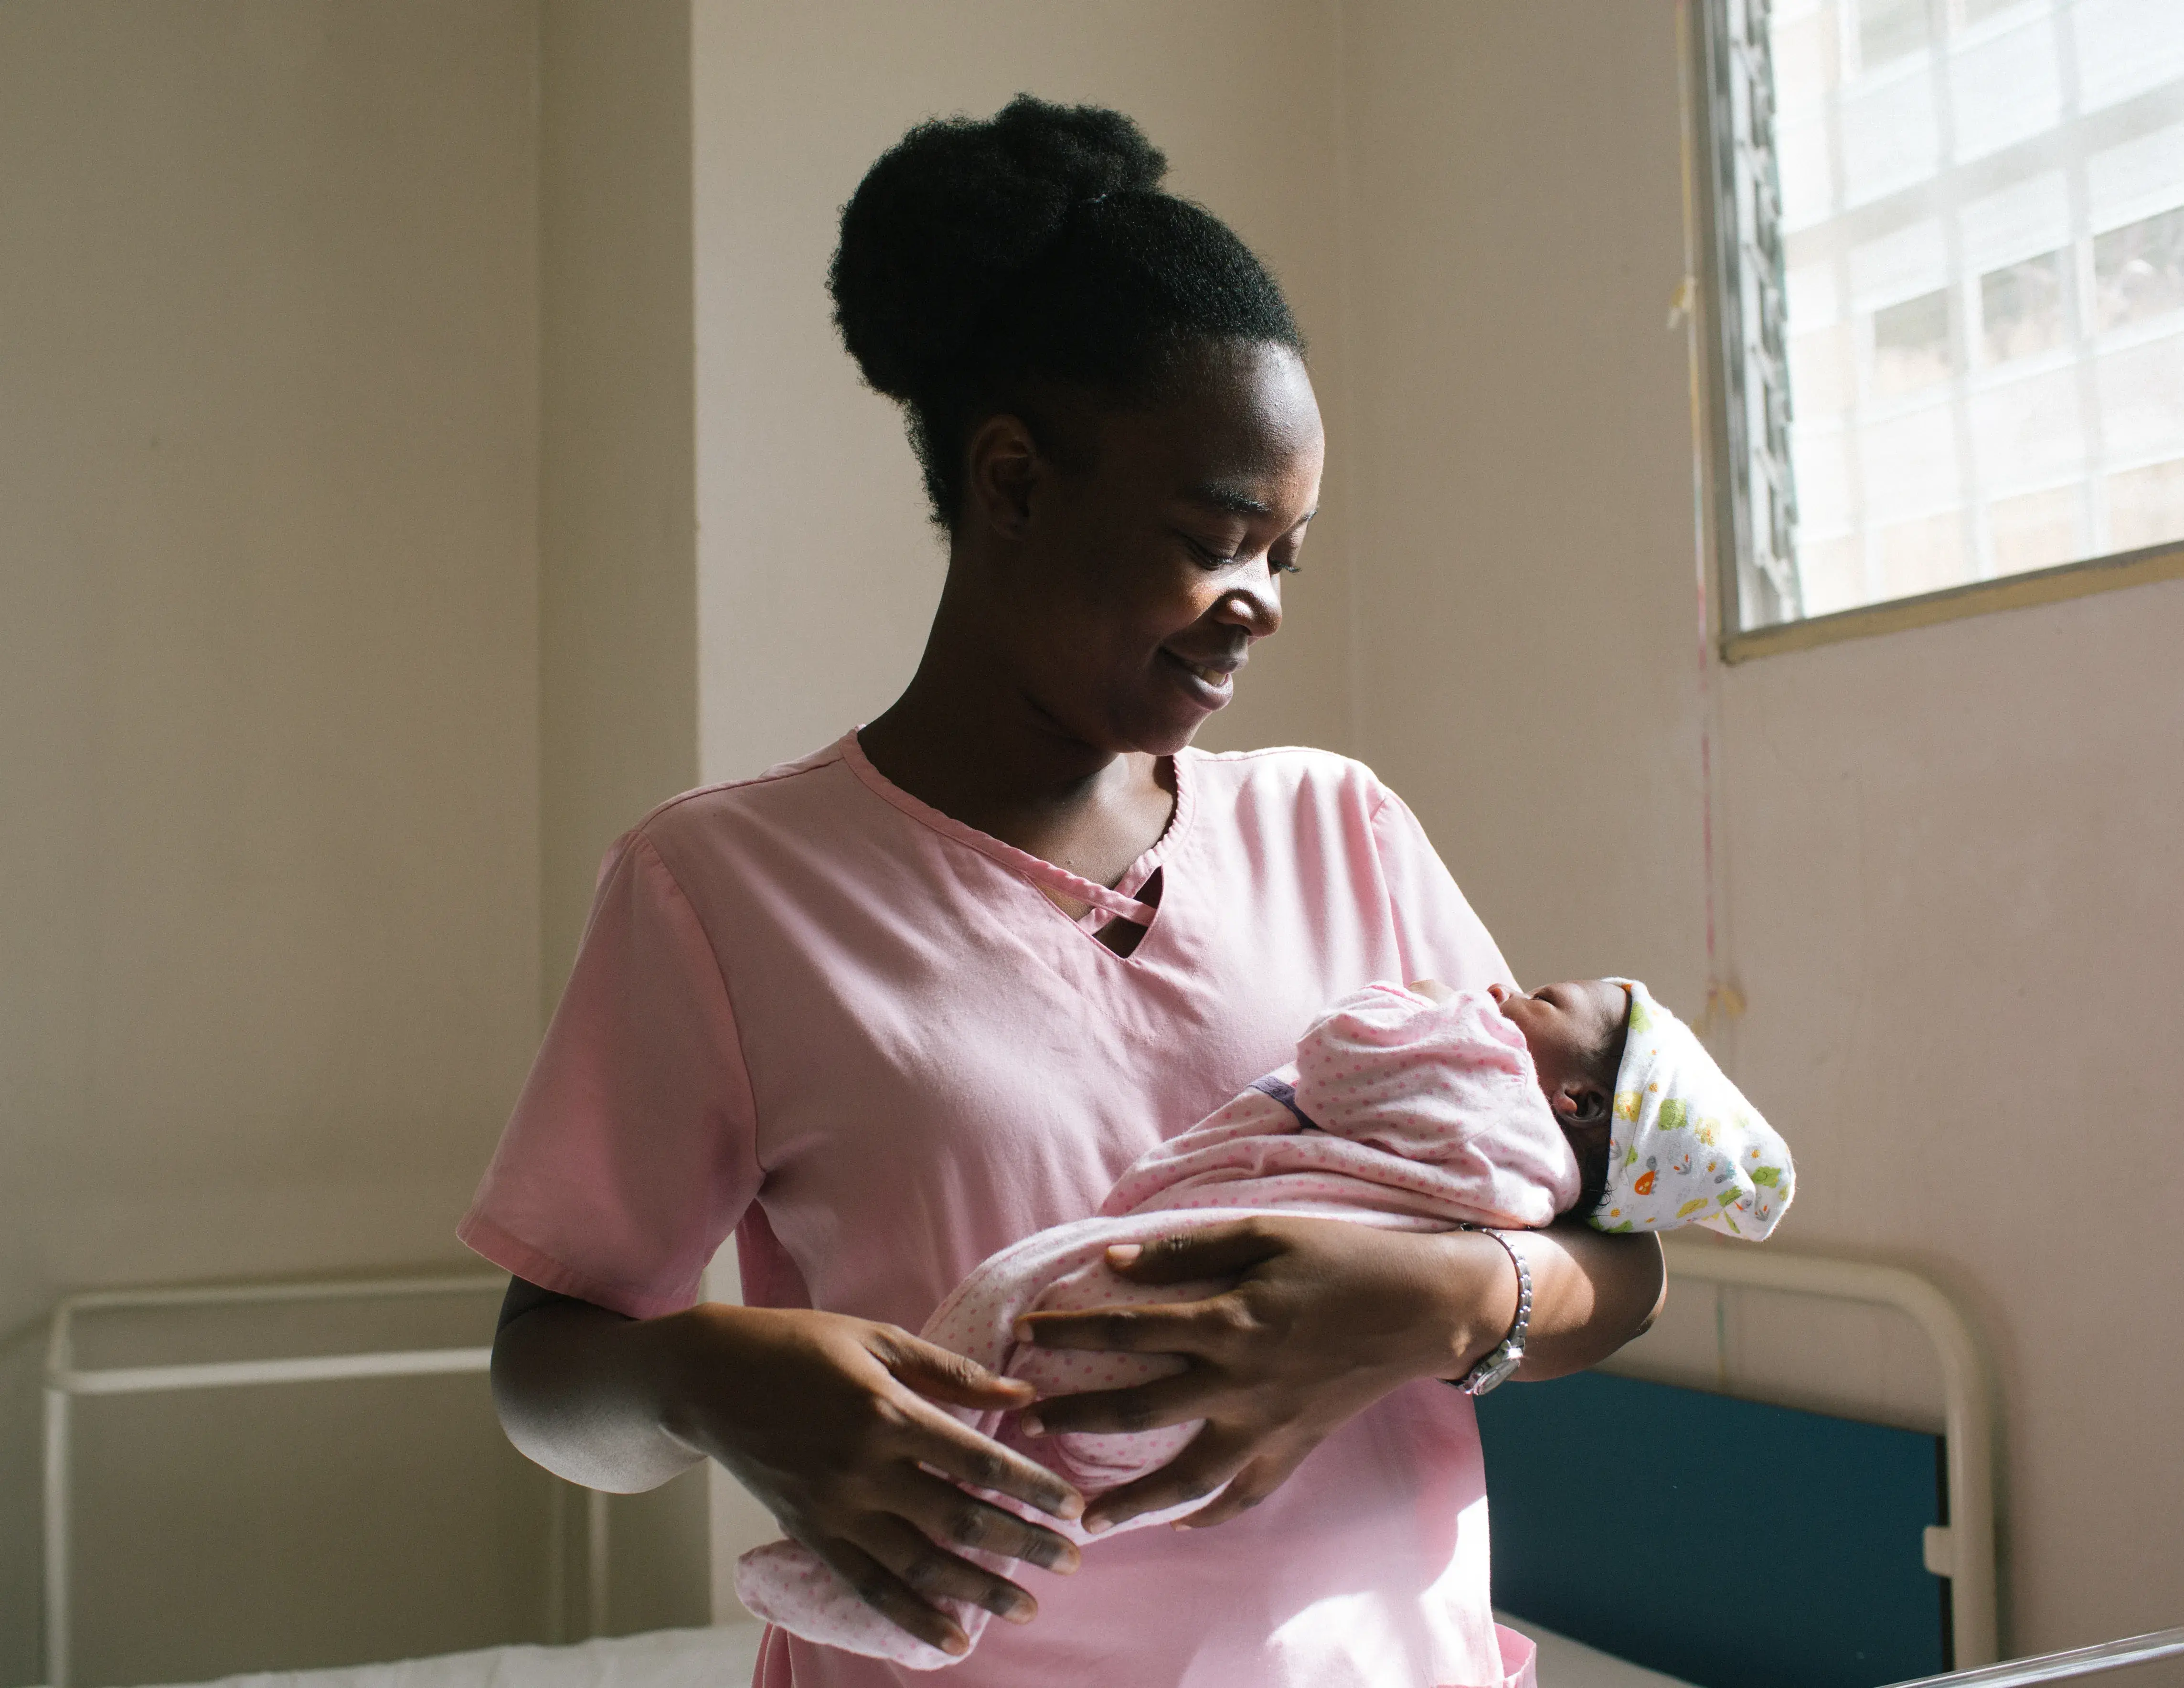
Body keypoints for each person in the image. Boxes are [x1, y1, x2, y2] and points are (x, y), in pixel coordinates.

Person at [464, 95, 1667, 1688]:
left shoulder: (1344, 831)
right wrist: (705, 1381)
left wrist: (1434, 1293)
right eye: (1216, 537)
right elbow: (549, 1375)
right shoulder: (726, 891)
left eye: (1290, 554)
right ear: (1015, 481)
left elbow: (1622, 1261)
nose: (1262, 607)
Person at [731, 976, 1792, 1667]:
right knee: (1056, 1488)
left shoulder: (1490, 1083)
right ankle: (944, 1595)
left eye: (1549, 998)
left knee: (994, 1334)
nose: (1511, 987)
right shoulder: (1530, 1161)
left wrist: (1405, 1009)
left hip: (1147, 1304)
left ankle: (904, 1589)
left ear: (1578, 1105)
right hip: (1187, 1439)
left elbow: (1348, 1056)